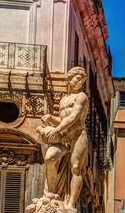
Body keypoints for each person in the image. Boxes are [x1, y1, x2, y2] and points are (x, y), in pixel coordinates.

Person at [37, 66, 89, 209]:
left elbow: (74, 117)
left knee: (76, 167)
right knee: (50, 157)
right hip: (64, 136)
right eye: (78, 80)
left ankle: (71, 204)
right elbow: (63, 119)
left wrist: (57, 130)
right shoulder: (63, 99)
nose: (80, 83)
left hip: (78, 135)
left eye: (82, 81)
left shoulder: (81, 97)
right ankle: (51, 193)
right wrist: (51, 119)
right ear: (69, 79)